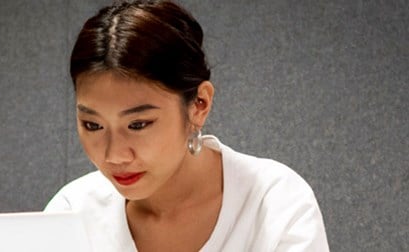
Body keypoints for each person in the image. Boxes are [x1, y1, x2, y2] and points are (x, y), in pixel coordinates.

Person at [43, 1, 329, 251]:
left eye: (138, 124)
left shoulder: (275, 204)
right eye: (92, 125)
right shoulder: (71, 212)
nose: (114, 155)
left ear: (199, 104)